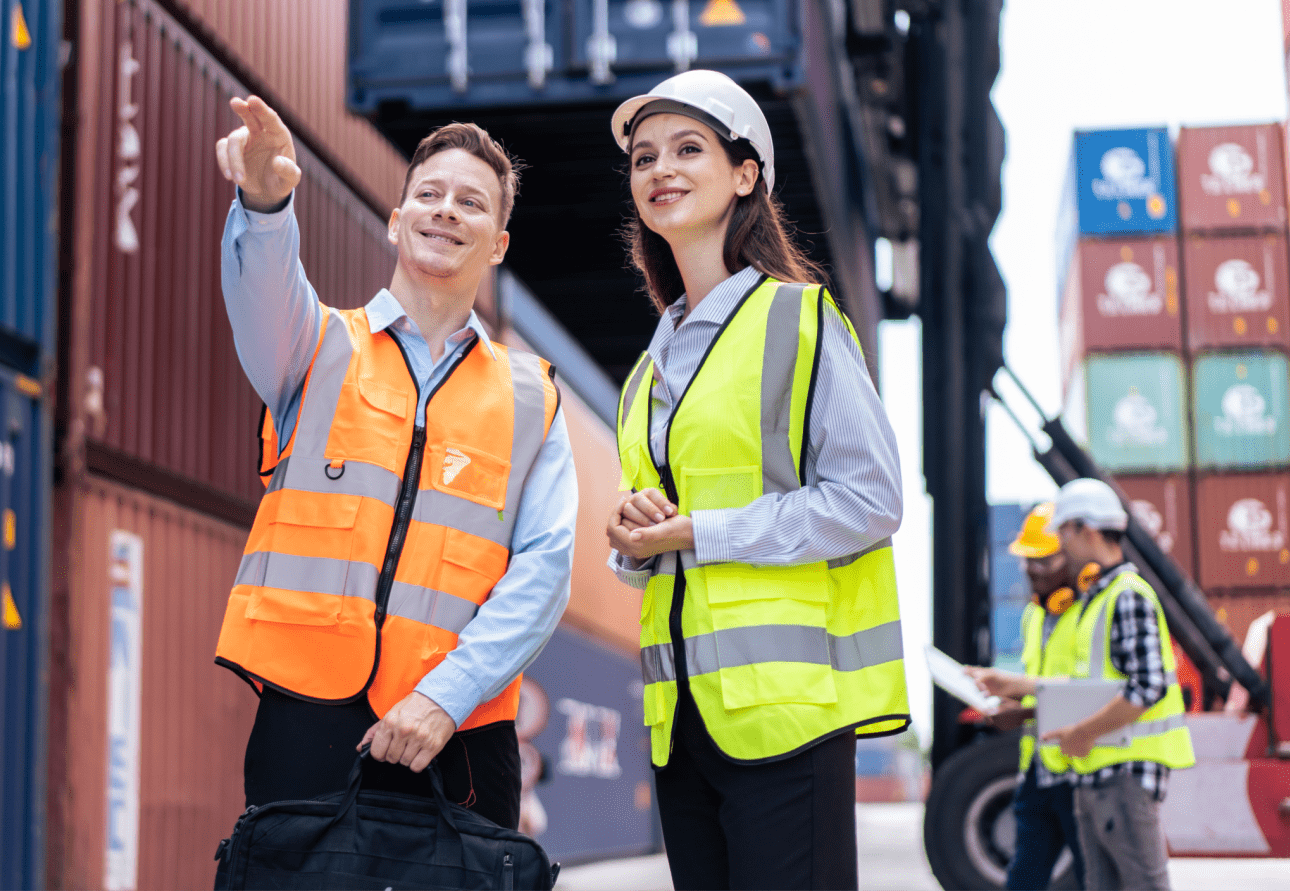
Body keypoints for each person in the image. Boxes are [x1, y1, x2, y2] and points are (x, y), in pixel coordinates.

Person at [211, 95, 577, 834]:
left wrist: (447, 696)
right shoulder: (314, 347)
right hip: (308, 718)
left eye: (470, 202)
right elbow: (260, 290)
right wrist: (266, 199)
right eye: (429, 194)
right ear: (396, 217)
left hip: (460, 736)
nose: (446, 211)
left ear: (498, 244)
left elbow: (546, 568)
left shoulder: (531, 396)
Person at [604, 70, 909, 891]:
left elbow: (873, 501)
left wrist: (697, 530)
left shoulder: (798, 318)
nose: (659, 169)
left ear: (746, 175)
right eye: (643, 158)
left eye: (687, 148)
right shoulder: (648, 371)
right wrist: (633, 540)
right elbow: (661, 547)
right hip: (683, 719)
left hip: (786, 713)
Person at [969, 479, 1194, 891]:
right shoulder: (1097, 598)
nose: (1060, 546)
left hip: (1124, 769)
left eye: (1063, 533)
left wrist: (1081, 732)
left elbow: (1148, 688)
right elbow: (1086, 688)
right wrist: (1020, 702)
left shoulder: (1126, 596)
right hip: (1094, 769)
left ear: (1085, 530)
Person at [971, 502, 1090, 891]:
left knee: (1094, 878)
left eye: (1044, 561)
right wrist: (1012, 711)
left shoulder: (1092, 613)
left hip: (1079, 770)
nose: (1031, 570)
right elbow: (1039, 685)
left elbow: (1087, 695)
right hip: (1039, 769)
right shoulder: (1033, 616)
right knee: (1023, 880)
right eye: (1028, 561)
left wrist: (1020, 711)